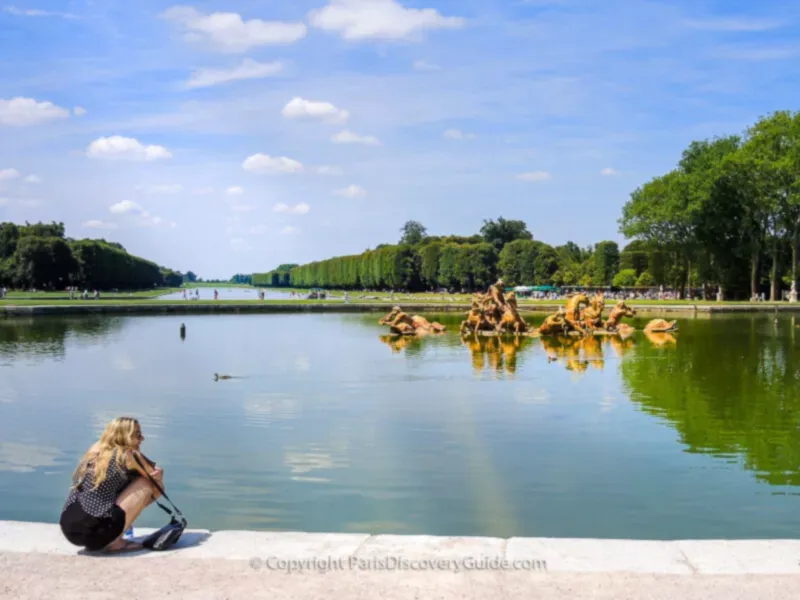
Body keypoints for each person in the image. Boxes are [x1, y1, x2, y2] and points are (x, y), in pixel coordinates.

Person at [60, 417, 164, 553]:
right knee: (150, 484)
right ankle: (116, 541)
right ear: (125, 436)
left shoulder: (94, 449)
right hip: (95, 532)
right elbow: (155, 475)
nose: (142, 439)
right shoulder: (127, 455)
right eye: (138, 434)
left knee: (118, 485)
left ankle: (117, 528)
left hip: (69, 529)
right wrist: (159, 472)